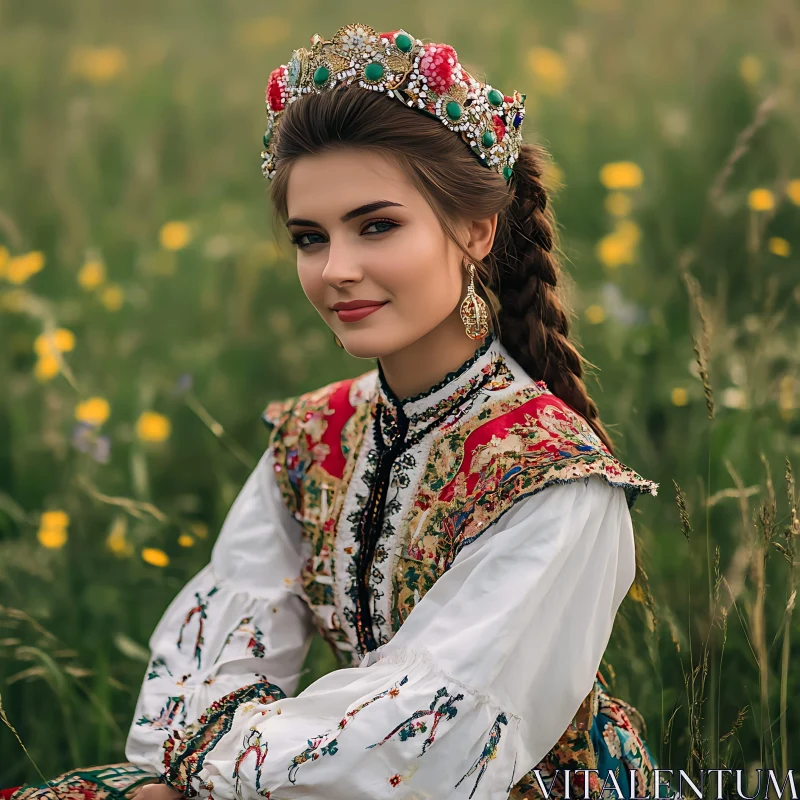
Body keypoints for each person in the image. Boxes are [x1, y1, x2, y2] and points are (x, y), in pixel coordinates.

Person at [3, 23, 662, 800]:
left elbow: (421, 739)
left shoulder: (554, 477)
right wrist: (206, 769)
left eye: (377, 225)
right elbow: (199, 671)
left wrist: (212, 768)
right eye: (309, 238)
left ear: (477, 230)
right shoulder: (315, 436)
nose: (337, 270)